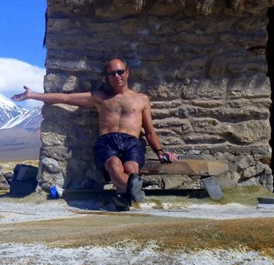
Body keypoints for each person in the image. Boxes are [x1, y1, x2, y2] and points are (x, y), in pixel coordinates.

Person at [11, 58, 179, 210]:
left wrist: (160, 152)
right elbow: (65, 98)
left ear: (127, 72)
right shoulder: (100, 97)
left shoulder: (141, 99)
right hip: (107, 142)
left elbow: (149, 131)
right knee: (114, 166)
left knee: (131, 169)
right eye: (112, 73)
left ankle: (126, 194)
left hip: (131, 142)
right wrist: (32, 95)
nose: (117, 76)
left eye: (120, 72)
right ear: (107, 77)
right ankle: (132, 191)